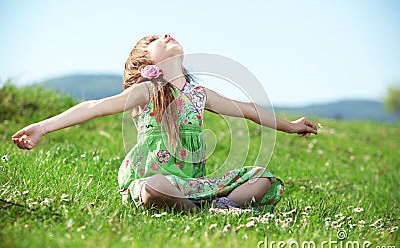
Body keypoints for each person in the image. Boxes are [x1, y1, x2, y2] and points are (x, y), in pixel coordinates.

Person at [12, 34, 317, 213]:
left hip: (195, 184)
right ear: (147, 65)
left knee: (262, 177)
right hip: (160, 181)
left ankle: (217, 206)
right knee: (154, 187)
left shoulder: (199, 95)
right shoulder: (147, 91)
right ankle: (204, 210)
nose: (166, 34)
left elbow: (247, 109)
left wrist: (290, 125)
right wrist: (42, 127)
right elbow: (95, 107)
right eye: (156, 39)